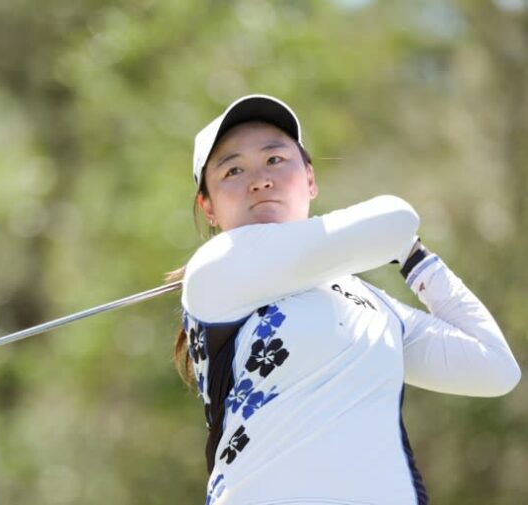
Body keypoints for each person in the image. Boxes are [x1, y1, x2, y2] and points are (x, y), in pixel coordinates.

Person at [174, 95, 521, 505]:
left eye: (275, 160)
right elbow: (395, 217)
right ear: (208, 207)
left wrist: (415, 259)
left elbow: (493, 367)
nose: (259, 180)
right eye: (233, 169)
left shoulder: (366, 300)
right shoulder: (215, 269)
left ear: (310, 178)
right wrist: (396, 239)